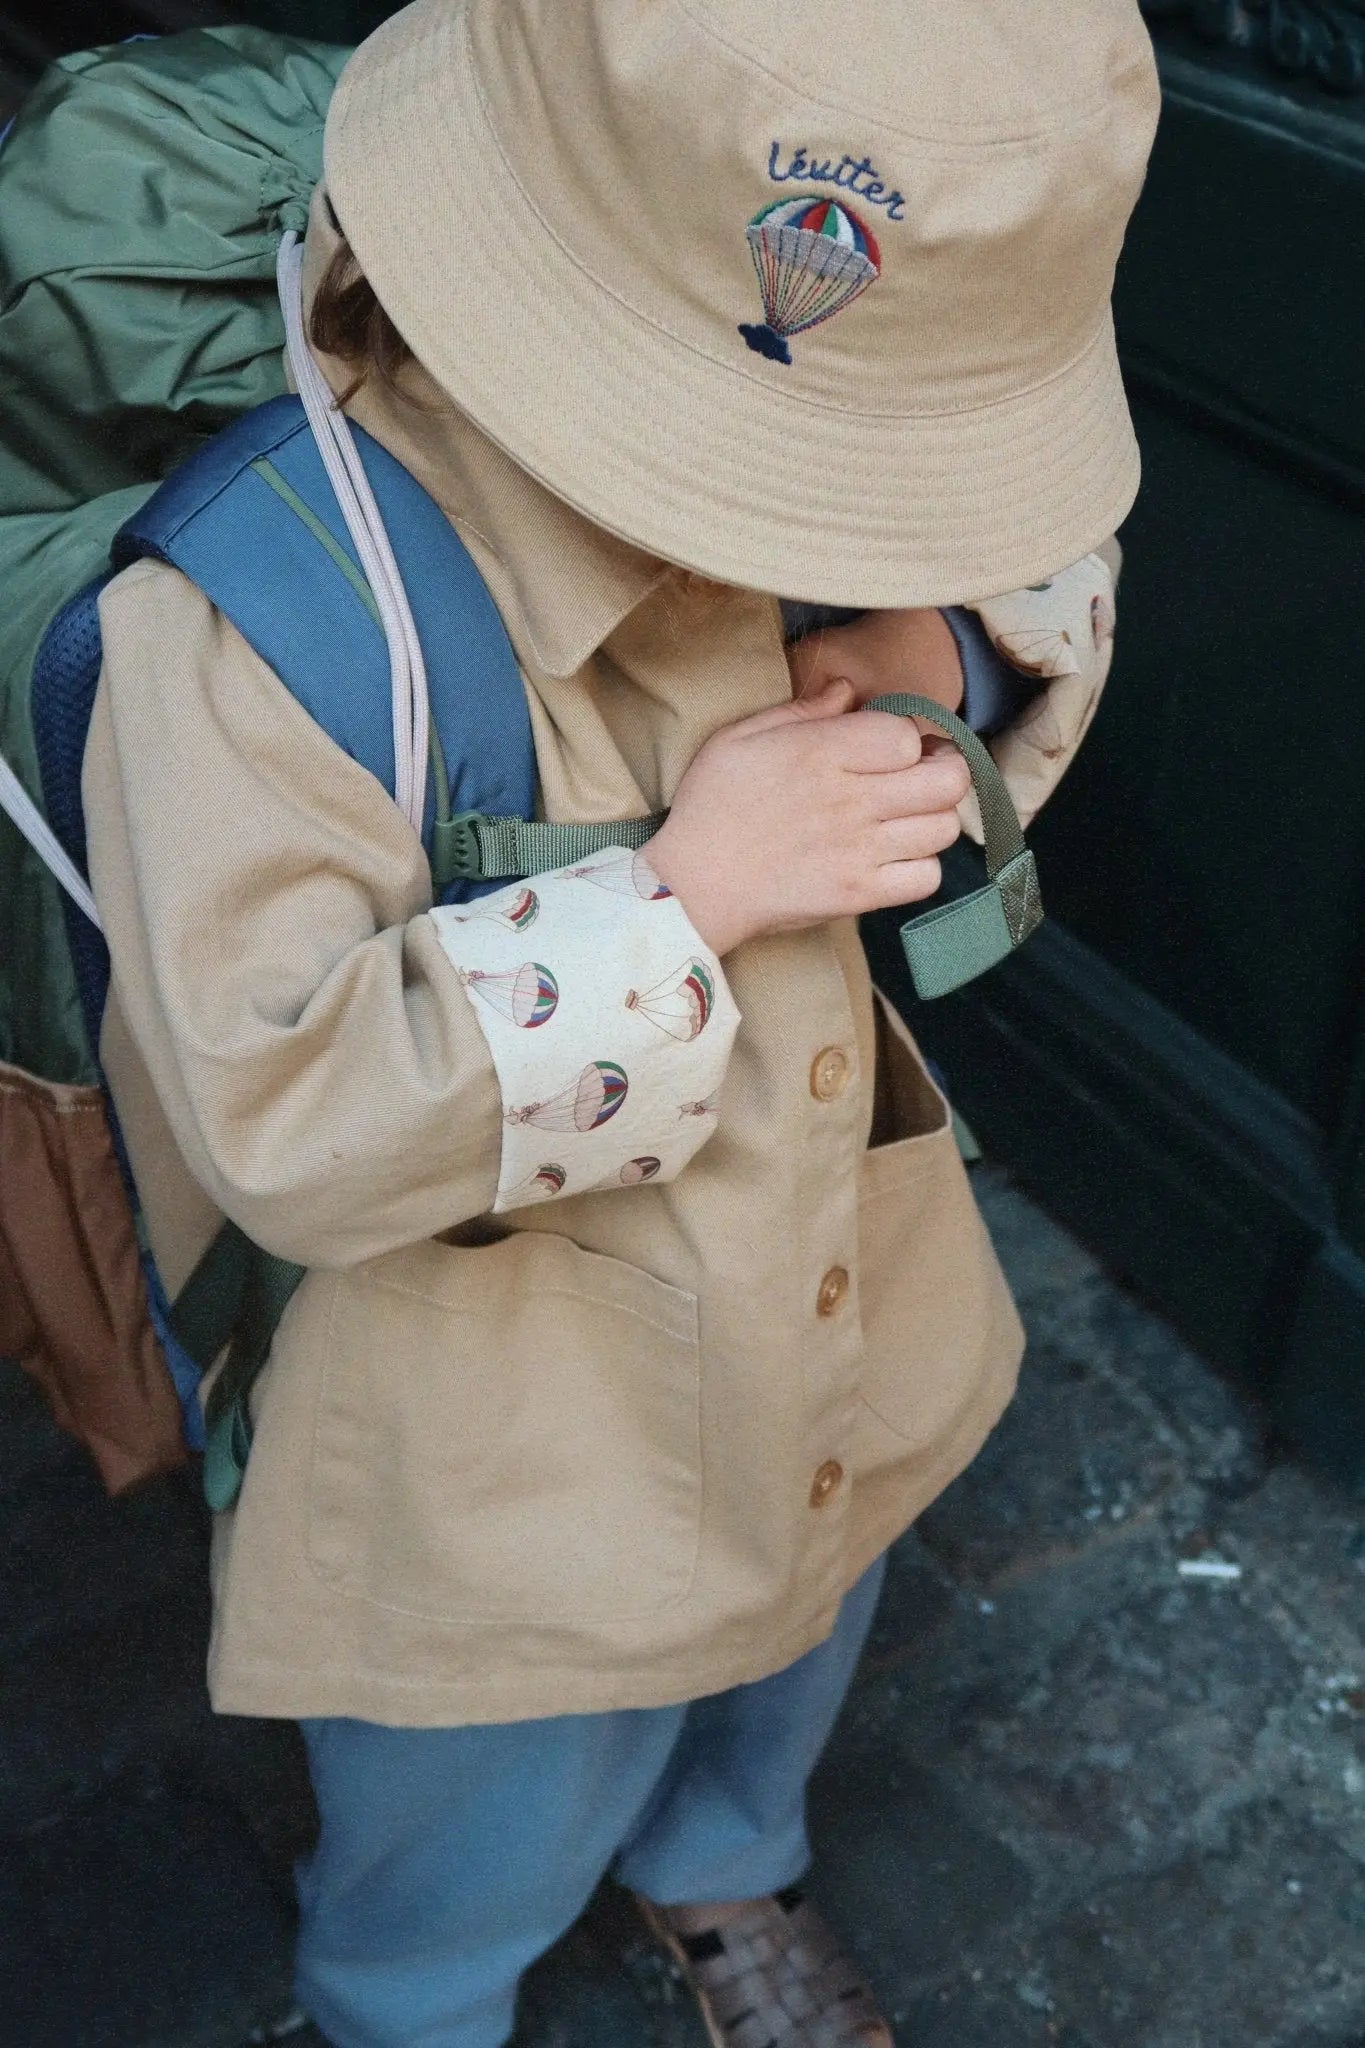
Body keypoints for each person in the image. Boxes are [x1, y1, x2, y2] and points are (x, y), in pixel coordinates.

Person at [81, 1, 1157, 2041]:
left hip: (832, 1294)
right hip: (508, 1439)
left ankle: (719, 1863)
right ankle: (415, 1997)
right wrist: (684, 894)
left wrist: (946, 645)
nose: (871, 510)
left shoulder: (864, 474)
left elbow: (1045, 574)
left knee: (797, 1622)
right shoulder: (248, 622)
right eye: (820, 463)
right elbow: (277, 1115)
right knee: (477, 1801)